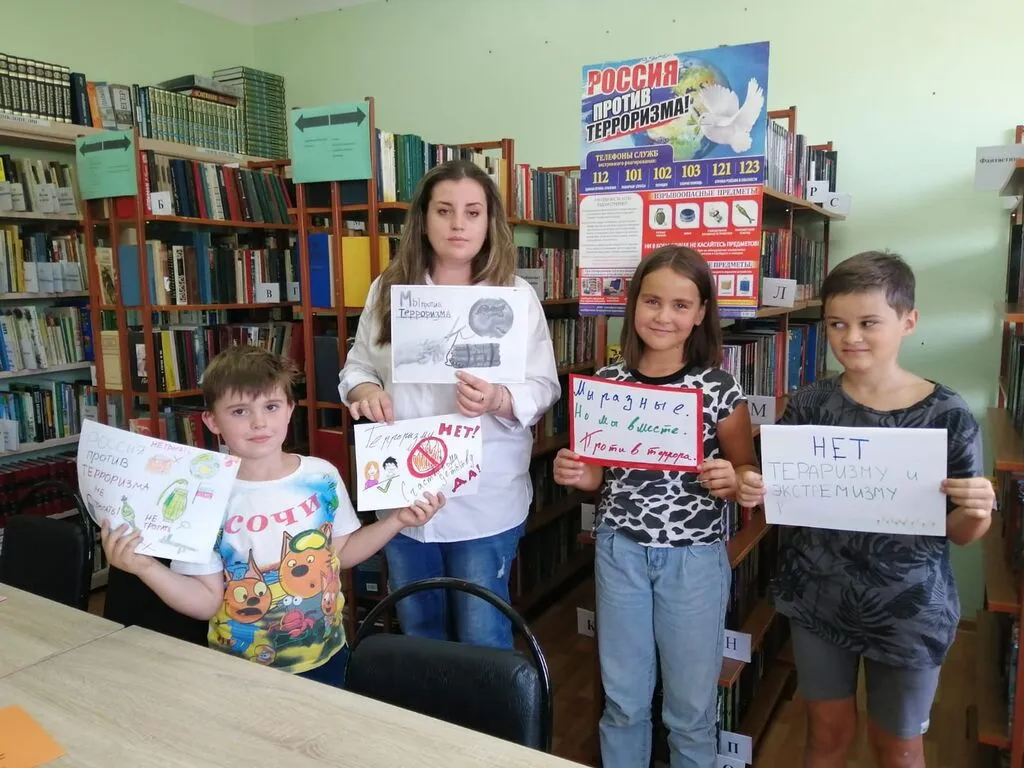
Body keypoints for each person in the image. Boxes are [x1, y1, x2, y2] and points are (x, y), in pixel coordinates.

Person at [739, 251, 994, 768]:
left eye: (868, 322)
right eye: (837, 324)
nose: (850, 337)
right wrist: (752, 486)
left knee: (899, 749)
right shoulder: (810, 403)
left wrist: (978, 509)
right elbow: (778, 488)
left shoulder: (947, 413)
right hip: (818, 597)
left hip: (907, 609)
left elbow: (962, 531)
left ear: (908, 321)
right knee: (825, 736)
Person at [100, 345, 444, 687]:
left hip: (328, 655)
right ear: (212, 421)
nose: (259, 422)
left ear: (290, 410)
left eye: (271, 406)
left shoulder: (321, 476)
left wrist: (397, 520)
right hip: (238, 670)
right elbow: (206, 601)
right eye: (239, 411)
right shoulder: (204, 497)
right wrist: (145, 567)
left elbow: (340, 553)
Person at [338, 158, 560, 650]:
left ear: (489, 222)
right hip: (403, 492)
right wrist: (364, 391)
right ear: (423, 219)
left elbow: (544, 386)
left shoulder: (514, 294)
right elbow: (358, 366)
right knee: (419, 628)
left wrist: (500, 398)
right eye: (444, 210)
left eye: (472, 212)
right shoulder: (388, 290)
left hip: (484, 499)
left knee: (482, 633)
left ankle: (485, 707)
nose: (458, 224)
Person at [553, 246, 761, 768]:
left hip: (693, 559)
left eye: (680, 305)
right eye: (652, 301)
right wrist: (577, 473)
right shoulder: (609, 382)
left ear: (701, 313)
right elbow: (598, 475)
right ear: (634, 304)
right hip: (620, 550)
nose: (664, 316)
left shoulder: (718, 387)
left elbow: (746, 472)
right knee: (623, 701)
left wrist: (732, 479)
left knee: (690, 710)